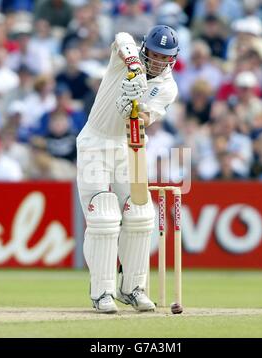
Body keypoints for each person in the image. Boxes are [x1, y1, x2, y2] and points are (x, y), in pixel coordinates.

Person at [77, 25, 179, 313]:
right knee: (104, 216)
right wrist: (134, 68)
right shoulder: (125, 58)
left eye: (165, 57)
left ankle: (132, 288)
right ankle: (101, 292)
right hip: (95, 141)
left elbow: (146, 117)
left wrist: (134, 105)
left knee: (141, 213)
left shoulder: (168, 86)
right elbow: (121, 37)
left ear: (173, 59)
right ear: (145, 50)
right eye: (154, 54)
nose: (158, 62)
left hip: (129, 146)